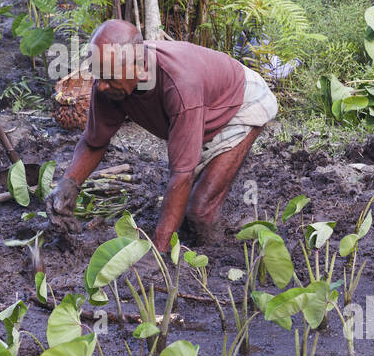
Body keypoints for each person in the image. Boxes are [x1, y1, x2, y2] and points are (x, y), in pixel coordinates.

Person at [46, 20, 278, 250]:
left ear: (139, 67)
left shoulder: (179, 85)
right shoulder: (110, 82)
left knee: (200, 212)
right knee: (186, 204)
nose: (101, 86)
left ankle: (219, 252)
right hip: (202, 109)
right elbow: (94, 142)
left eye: (108, 77)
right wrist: (68, 184)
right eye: (97, 75)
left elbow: (181, 175)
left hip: (241, 104)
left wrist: (158, 250)